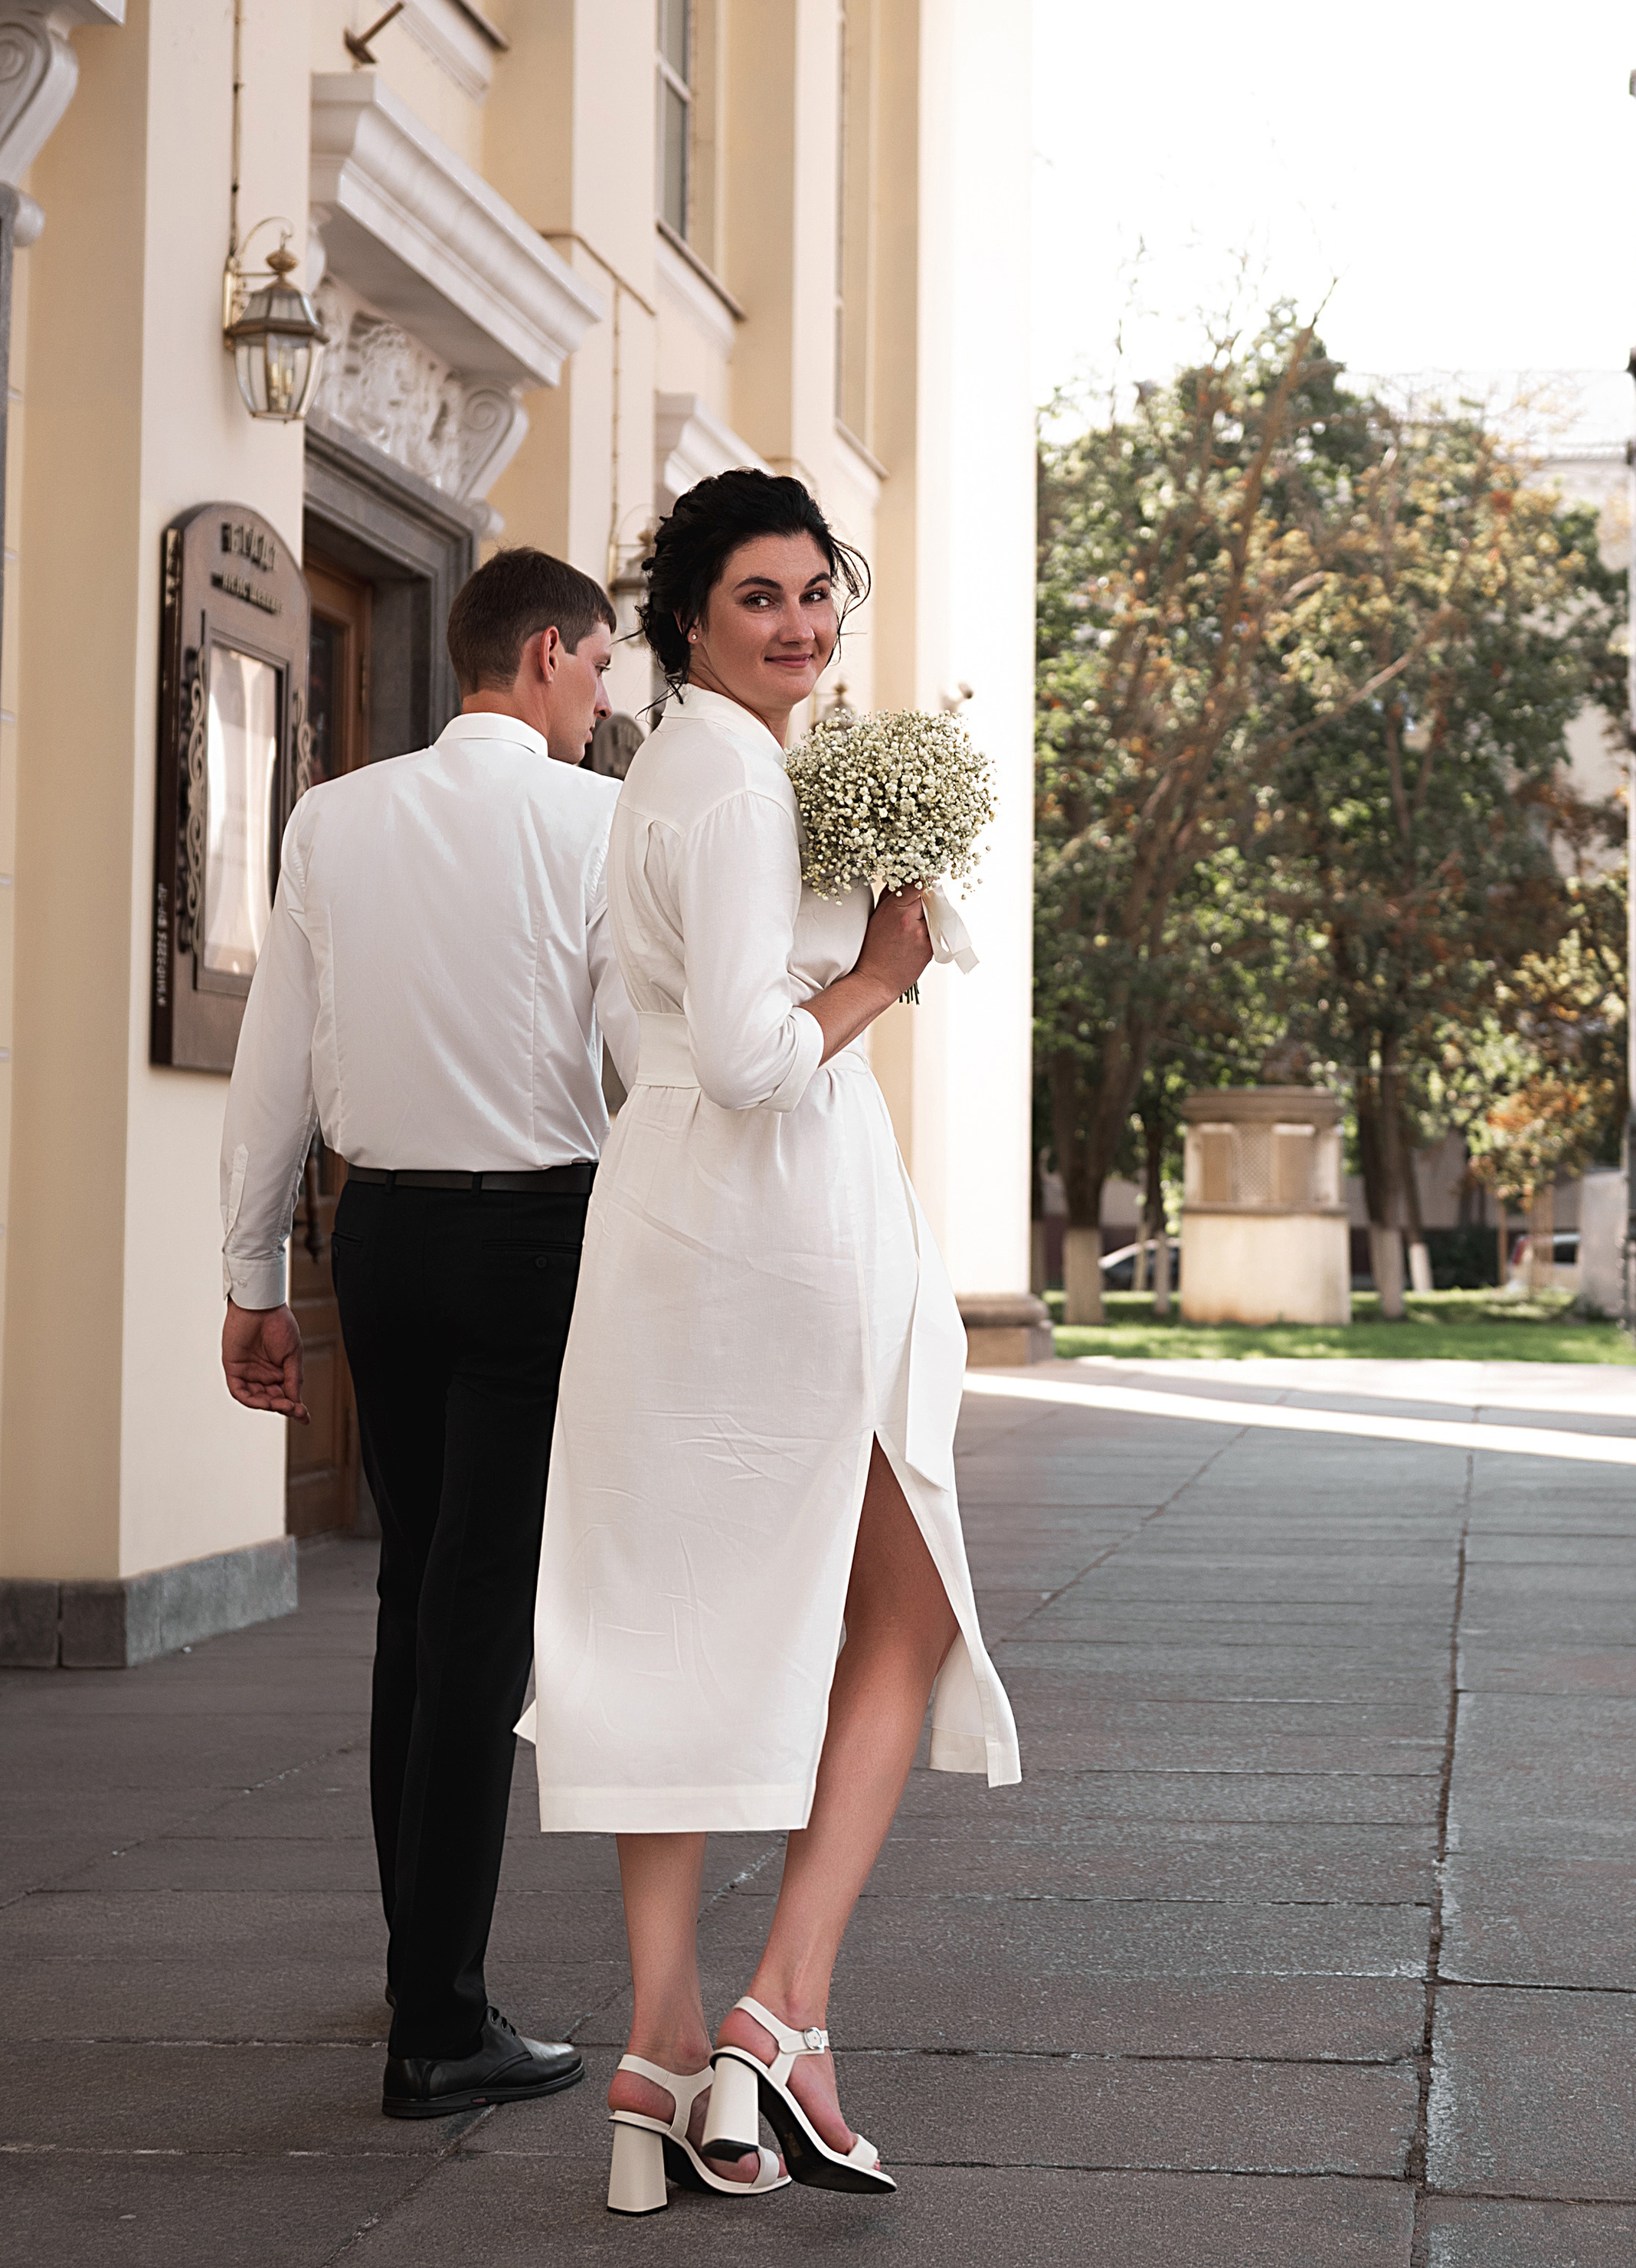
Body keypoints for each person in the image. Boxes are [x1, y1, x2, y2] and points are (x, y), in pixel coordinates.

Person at [526, 468, 1019, 2219]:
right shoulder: (736, 776)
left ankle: (665, 2051)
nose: (799, 623)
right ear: (685, 617)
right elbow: (747, 1055)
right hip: (772, 1207)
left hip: (669, 1214)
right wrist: (883, 967)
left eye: (817, 591)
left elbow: (630, 1027)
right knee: (908, 1599)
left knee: (665, 1611)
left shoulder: (663, 765)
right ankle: (780, 2013)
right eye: (759, 598)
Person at [218, 547, 636, 2122]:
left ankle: (420, 1971)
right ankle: (441, 2024)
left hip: (381, 1236)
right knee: (478, 1617)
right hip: (540, 1236)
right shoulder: (600, 824)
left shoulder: (335, 816)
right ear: (542, 654)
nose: (605, 703)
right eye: (599, 668)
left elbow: (276, 1055)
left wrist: (252, 1270)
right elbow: (634, 1054)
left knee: (420, 1594)